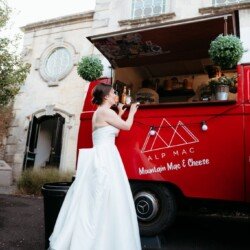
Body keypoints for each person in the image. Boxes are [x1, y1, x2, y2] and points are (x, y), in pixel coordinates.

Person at [49, 83, 141, 250]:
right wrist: (132, 112)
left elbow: (116, 131)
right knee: (106, 196)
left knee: (100, 197)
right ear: (106, 96)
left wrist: (120, 113)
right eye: (114, 93)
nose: (116, 95)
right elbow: (126, 127)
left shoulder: (101, 112)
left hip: (103, 155)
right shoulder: (105, 112)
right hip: (105, 157)